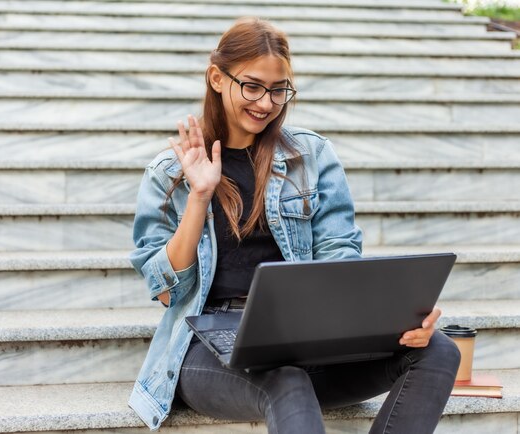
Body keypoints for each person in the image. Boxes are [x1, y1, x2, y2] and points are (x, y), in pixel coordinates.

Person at [128, 17, 460, 433]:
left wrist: (394, 319)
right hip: (209, 343)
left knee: (439, 351)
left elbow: (339, 256)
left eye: (278, 90)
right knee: (286, 378)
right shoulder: (169, 171)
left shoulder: (312, 156)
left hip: (308, 334)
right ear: (216, 77)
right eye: (252, 86)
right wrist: (200, 195)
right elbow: (165, 291)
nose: (266, 103)